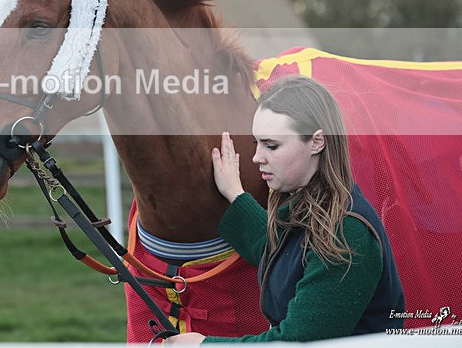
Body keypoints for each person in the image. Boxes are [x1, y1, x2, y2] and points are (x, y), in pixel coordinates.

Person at [167, 76, 405, 344]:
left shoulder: (346, 232)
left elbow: (296, 342)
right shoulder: (312, 206)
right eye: (256, 143)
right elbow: (279, 251)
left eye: (272, 145)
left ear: (316, 142)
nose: (257, 157)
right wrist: (235, 194)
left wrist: (203, 345)